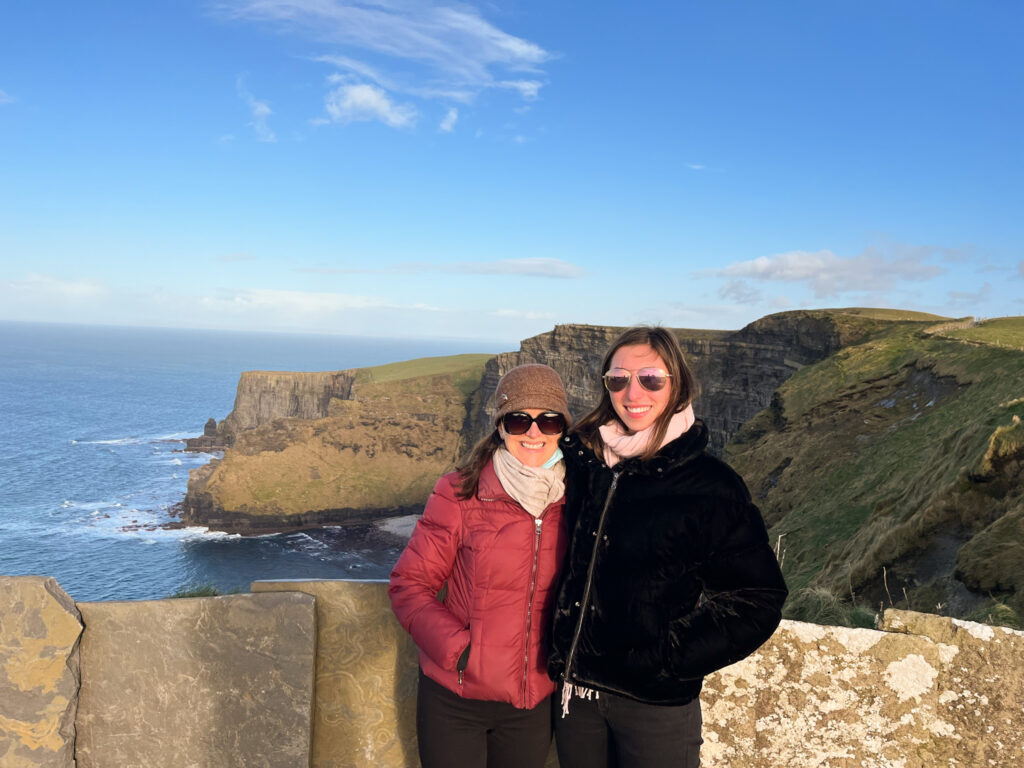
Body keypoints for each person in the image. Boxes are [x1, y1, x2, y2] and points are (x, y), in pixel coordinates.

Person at [547, 326, 788, 768]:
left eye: (651, 379)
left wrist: (667, 658)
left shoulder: (711, 486)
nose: (632, 391)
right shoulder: (587, 464)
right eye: (618, 379)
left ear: (677, 385)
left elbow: (759, 598)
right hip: (576, 697)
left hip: (653, 706)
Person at [389, 363, 571, 768]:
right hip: (456, 700)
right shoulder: (459, 492)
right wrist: (460, 650)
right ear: (501, 426)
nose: (534, 432)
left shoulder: (577, 500)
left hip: (532, 702)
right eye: (519, 419)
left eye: (549, 420)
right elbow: (408, 585)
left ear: (563, 428)